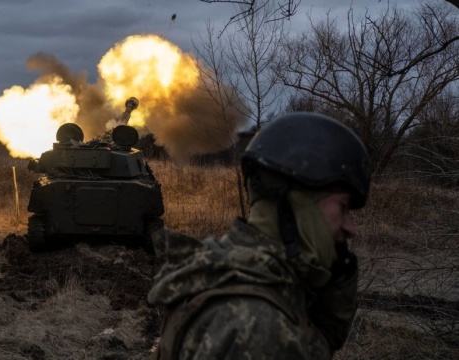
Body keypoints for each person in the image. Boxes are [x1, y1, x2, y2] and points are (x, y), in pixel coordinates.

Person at [147, 112, 371, 359]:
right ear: (298, 204)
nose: (351, 228)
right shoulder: (259, 330)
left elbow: (320, 340)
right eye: (342, 207)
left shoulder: (223, 271)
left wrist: (334, 285)